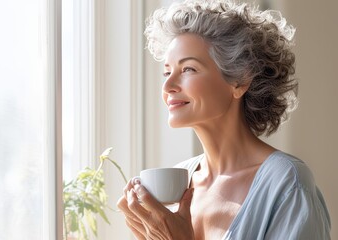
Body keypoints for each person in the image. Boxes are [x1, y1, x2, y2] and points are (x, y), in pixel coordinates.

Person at [117, 0, 331, 239]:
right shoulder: (176, 183)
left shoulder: (287, 183)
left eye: (188, 69)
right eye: (167, 71)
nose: (167, 85)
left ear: (240, 81)